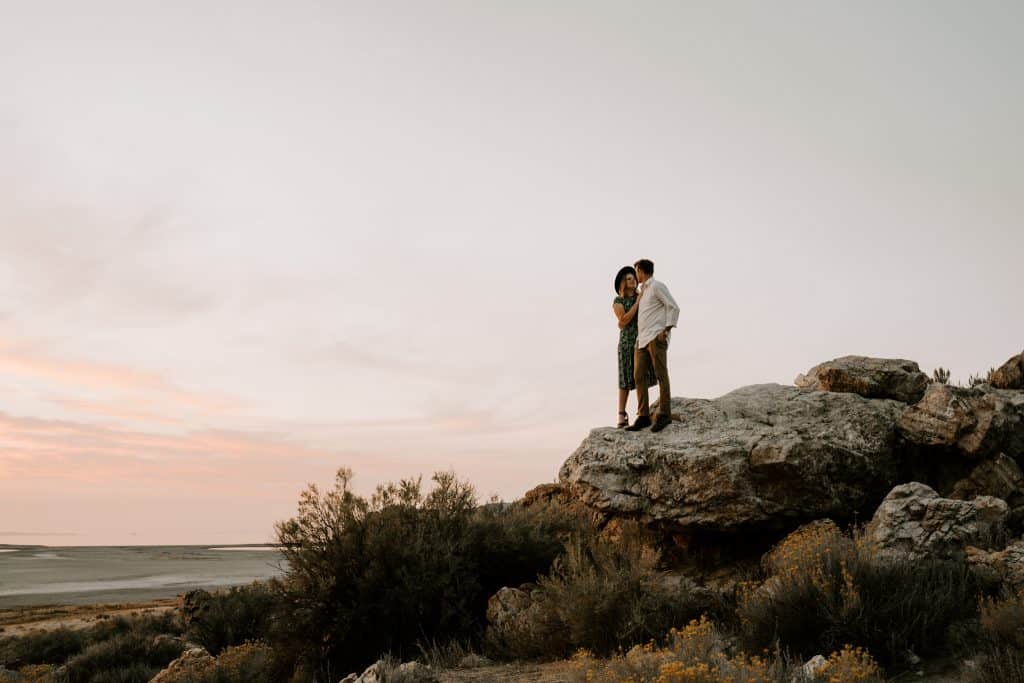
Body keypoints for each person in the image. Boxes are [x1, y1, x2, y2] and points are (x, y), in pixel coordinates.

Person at [626, 259, 679, 433]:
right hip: (641, 340)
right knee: (638, 375)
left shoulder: (657, 286)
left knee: (660, 374)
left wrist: (666, 329)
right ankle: (643, 416)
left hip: (656, 337)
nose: (636, 275)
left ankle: (664, 414)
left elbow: (673, 307)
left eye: (636, 272)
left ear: (641, 270)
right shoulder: (643, 292)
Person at [612, 266, 658, 428]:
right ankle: (621, 415)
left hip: (641, 340)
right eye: (628, 278)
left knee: (641, 377)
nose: (632, 280)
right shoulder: (618, 301)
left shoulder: (643, 296)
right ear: (623, 283)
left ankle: (642, 412)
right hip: (626, 343)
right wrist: (637, 303)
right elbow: (623, 321)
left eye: (633, 277)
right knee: (624, 380)